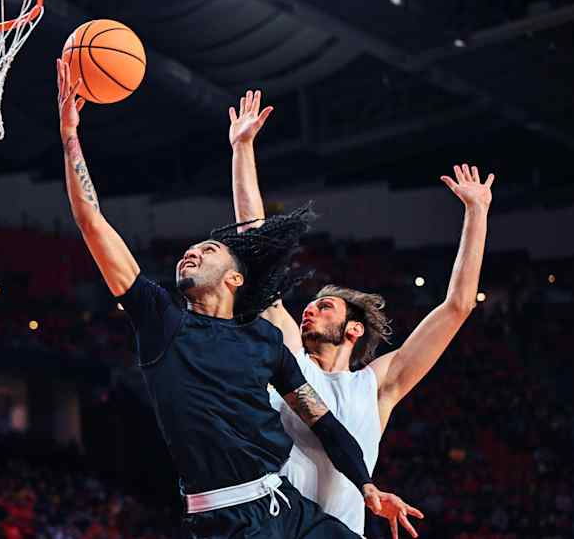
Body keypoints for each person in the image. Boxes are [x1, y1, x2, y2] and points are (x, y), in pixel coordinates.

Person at [56, 59, 405, 539]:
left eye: (208, 250)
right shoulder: (162, 321)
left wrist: (367, 486)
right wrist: (70, 135)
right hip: (226, 519)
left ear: (236, 278)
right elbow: (91, 221)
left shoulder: (264, 340)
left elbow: (324, 423)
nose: (192, 252)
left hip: (285, 504)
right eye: (190, 251)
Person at [228, 89, 495, 537]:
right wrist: (242, 148)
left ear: (353, 329)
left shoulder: (377, 386)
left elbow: (458, 306)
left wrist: (478, 212)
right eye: (310, 305)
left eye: (324, 306)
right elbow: (256, 253)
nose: (309, 310)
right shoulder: (290, 359)